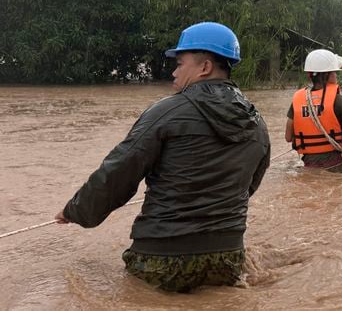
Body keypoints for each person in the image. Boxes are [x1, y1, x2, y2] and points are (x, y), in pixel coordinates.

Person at [55, 22, 271, 293]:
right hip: (228, 259)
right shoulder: (257, 122)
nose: (174, 72)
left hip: (161, 257)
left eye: (180, 64)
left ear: (205, 67)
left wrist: (75, 210)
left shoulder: (166, 111)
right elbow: (249, 185)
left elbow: (119, 171)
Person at [286, 49, 342, 172]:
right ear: (327, 75)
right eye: (335, 72)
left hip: (309, 167)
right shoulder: (341, 102)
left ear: (309, 75)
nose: (336, 75)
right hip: (337, 167)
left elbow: (288, 137)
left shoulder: (297, 100)